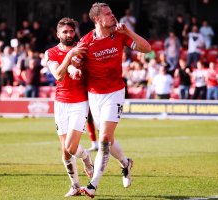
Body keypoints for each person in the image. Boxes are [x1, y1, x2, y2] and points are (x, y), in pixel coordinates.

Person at [69, 3, 151, 198]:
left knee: (104, 139)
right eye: (108, 14)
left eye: (112, 12)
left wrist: (129, 31)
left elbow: (146, 48)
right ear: (97, 19)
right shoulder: (87, 41)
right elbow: (74, 62)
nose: (113, 16)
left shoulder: (120, 34)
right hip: (94, 95)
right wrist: (76, 67)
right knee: (108, 140)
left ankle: (93, 185)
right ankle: (125, 163)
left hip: (115, 93)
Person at [45, 17, 94, 197]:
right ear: (58, 34)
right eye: (65, 32)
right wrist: (69, 57)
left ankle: (86, 156)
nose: (68, 34)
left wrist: (76, 63)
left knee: (72, 148)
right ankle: (75, 186)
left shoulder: (83, 50)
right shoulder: (50, 53)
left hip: (79, 102)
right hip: (60, 104)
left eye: (71, 31)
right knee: (65, 152)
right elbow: (58, 75)